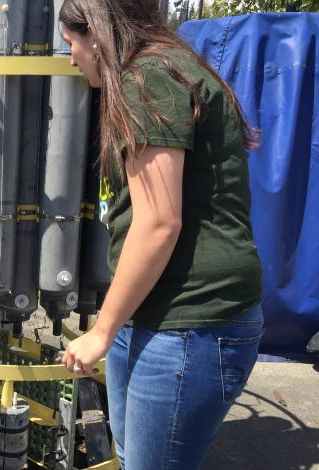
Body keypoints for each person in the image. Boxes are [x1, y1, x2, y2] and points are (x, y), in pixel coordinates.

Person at [56, 1, 264, 469]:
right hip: (154, 313)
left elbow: (158, 222)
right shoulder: (164, 68)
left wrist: (101, 331)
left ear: (100, 32)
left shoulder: (147, 77)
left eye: (72, 43)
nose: (72, 59)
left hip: (190, 322)